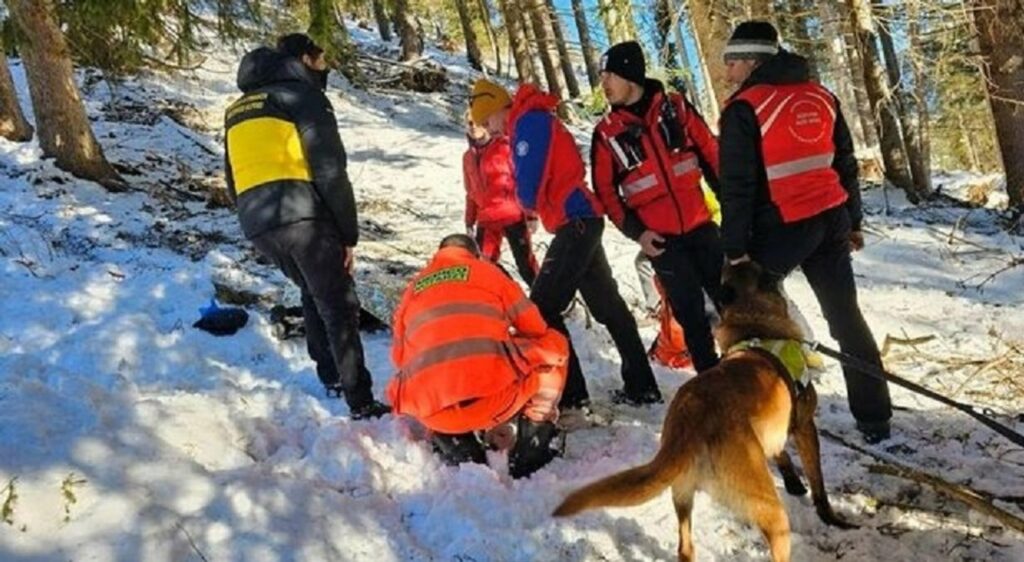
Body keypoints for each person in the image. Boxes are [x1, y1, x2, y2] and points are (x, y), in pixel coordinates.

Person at [717, 21, 892, 443]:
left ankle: (770, 408)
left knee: (753, 319)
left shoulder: (745, 108)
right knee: (846, 317)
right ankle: (875, 419)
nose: (727, 72)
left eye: (732, 61)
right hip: (830, 218)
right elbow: (845, 164)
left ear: (754, 61)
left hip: (780, 227)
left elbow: (737, 186)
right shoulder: (822, 96)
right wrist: (853, 221)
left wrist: (735, 249)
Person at [468, 78, 662, 409]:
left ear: (500, 107)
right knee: (608, 306)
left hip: (576, 222)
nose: (490, 129)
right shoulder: (528, 121)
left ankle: (572, 395)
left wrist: (527, 205)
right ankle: (641, 386)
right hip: (578, 220)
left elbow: (529, 181)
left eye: (488, 120)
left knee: (542, 307)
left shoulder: (528, 121)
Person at [223, 33, 389, 419]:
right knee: (339, 303)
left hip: (257, 222)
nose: (325, 66)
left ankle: (331, 377)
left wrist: (251, 216)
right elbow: (330, 169)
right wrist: (348, 233)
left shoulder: (238, 108)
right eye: (321, 59)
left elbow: (231, 175)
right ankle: (361, 401)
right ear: (304, 59)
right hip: (303, 215)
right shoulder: (304, 97)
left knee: (313, 292)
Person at [591, 41, 726, 374]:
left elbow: (712, 156)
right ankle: (713, 385)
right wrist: (639, 234)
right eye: (601, 76)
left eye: (610, 75)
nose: (604, 84)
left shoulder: (676, 108)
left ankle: (752, 372)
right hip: (661, 241)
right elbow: (606, 193)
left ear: (630, 76)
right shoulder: (606, 134)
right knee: (690, 316)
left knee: (734, 304)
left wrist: (733, 210)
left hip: (703, 228)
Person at [386, 234, 569, 479]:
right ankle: (535, 438)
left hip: (433, 412)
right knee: (554, 345)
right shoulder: (488, 273)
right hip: (493, 403)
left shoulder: (413, 288)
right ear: (475, 255)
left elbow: (399, 358)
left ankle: (451, 438)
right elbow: (535, 328)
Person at [461, 112, 539, 285]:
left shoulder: (505, 147)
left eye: (477, 121)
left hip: (512, 215)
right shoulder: (467, 158)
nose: (473, 127)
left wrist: (532, 214)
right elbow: (470, 192)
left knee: (526, 265)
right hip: (486, 219)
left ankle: (548, 303)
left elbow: (523, 181)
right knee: (485, 264)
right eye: (469, 123)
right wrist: (469, 221)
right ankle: (512, 294)